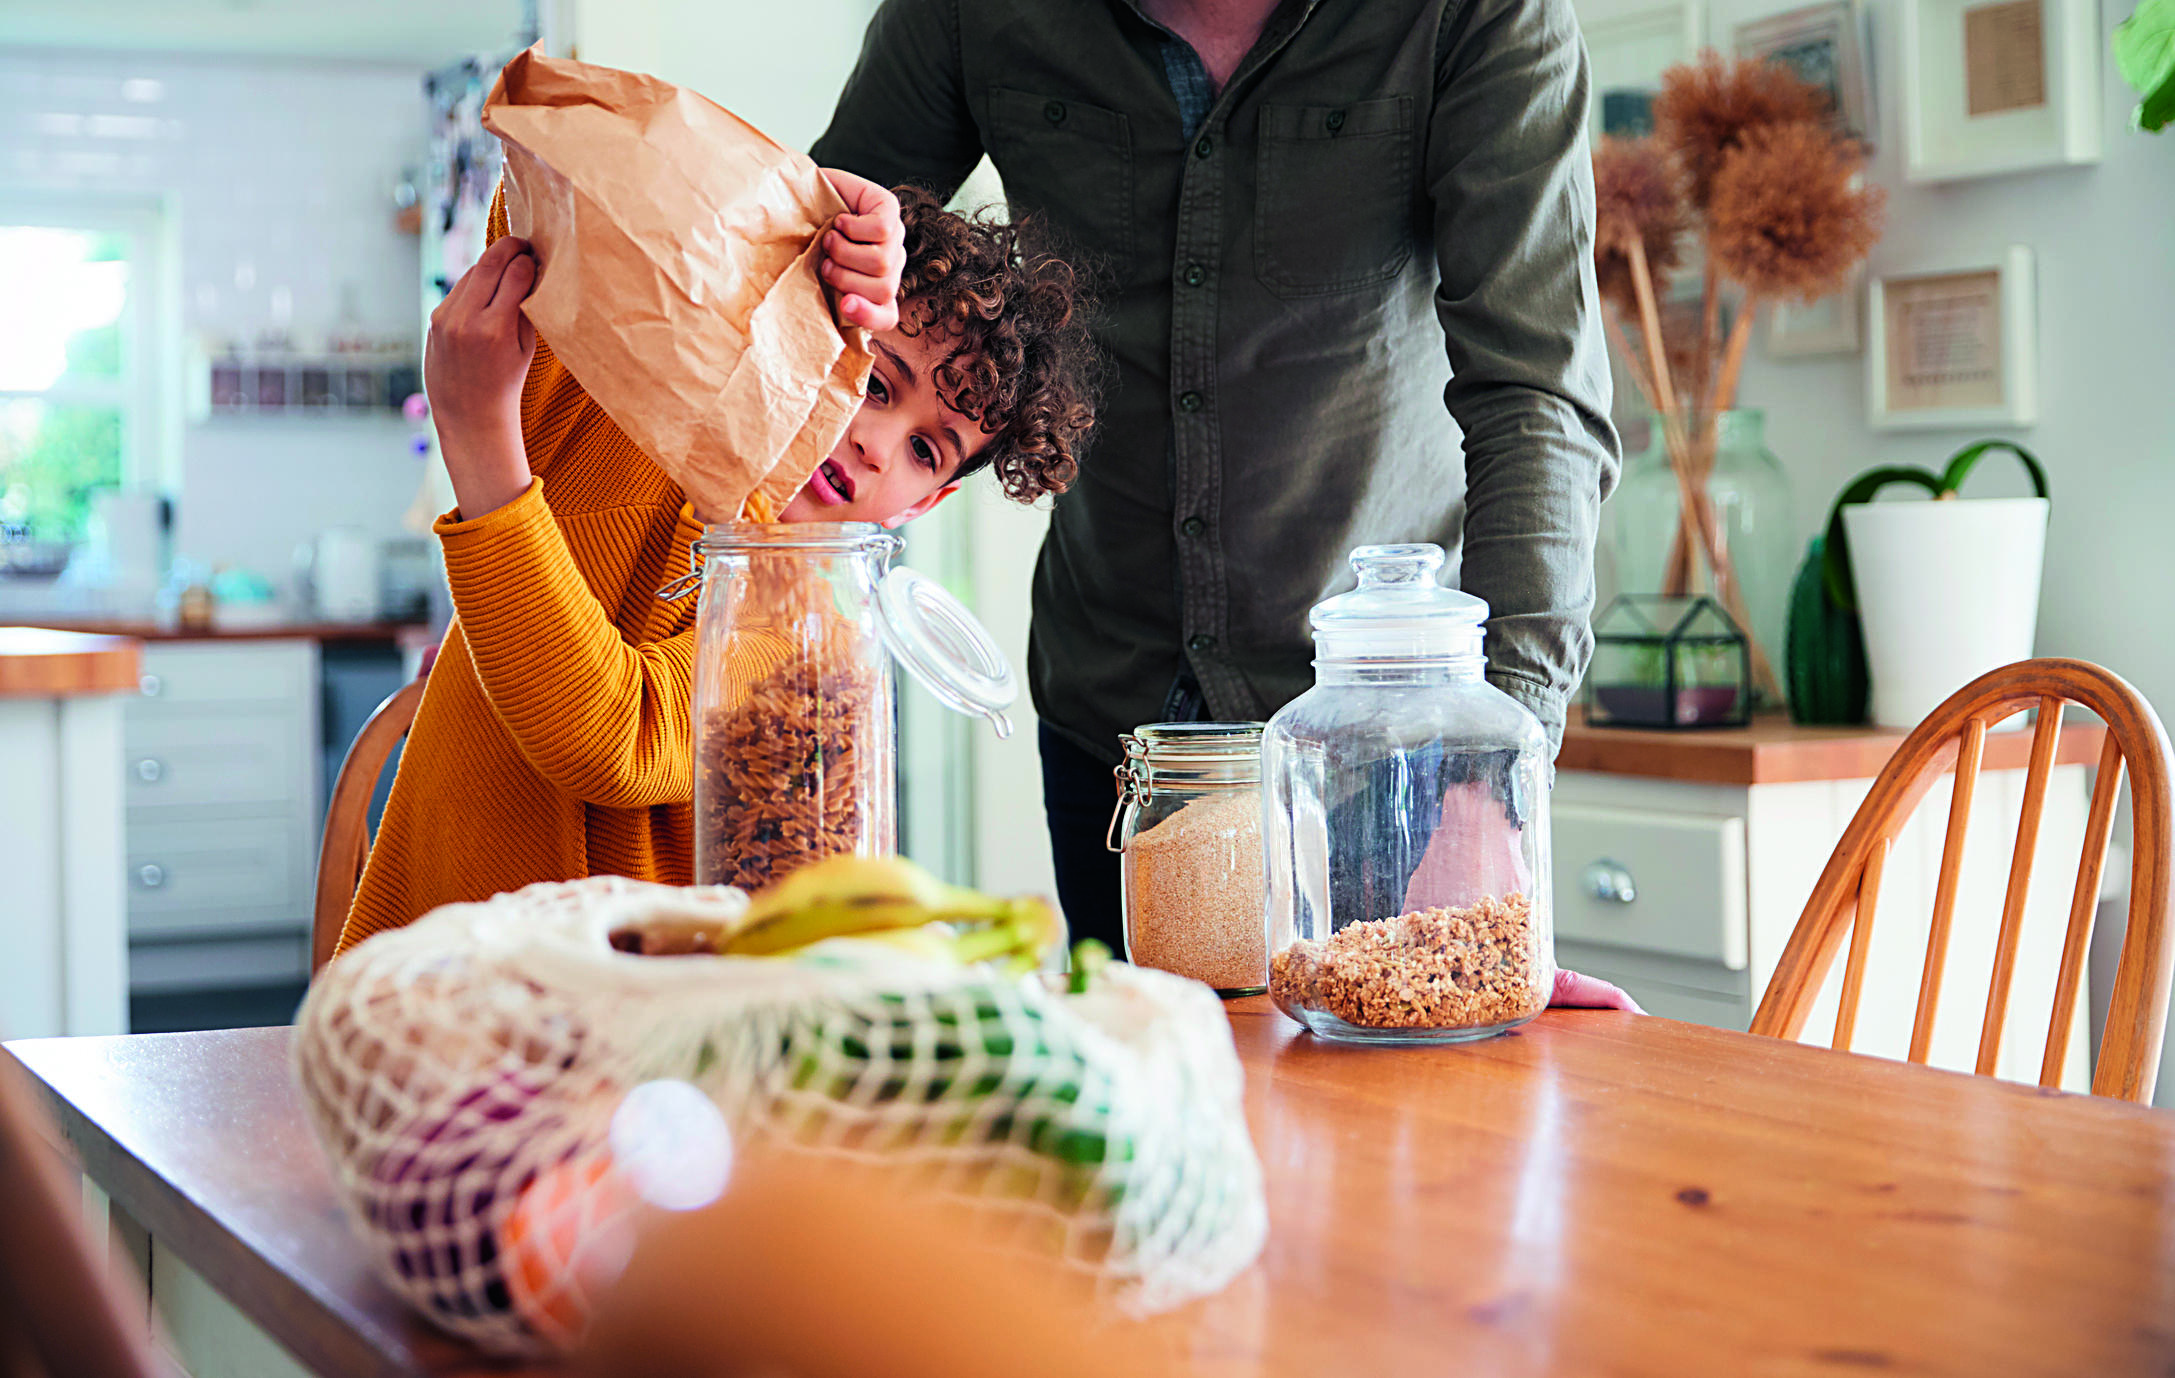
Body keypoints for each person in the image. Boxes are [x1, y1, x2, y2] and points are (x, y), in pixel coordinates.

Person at [811, 0, 1628, 986]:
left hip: (1384, 742)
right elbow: (800, 274)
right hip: (1110, 714)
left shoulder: (1478, 18)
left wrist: (1490, 780)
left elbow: (1536, 397)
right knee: (1141, 1109)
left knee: (1415, 1121)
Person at [333, 178, 1096, 955]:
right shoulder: (629, 401)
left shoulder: (810, 630)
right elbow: (546, 188)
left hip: (633, 1027)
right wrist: (789, 197)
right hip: (426, 981)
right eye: (874, 383)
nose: (875, 442)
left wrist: (478, 434)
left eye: (924, 451)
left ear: (919, 507)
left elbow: (614, 738)